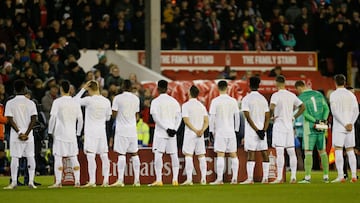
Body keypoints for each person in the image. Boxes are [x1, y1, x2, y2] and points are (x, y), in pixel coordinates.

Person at [74, 80, 112, 187]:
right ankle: (106, 181)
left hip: (91, 132)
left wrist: (82, 89)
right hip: (101, 131)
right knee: (104, 156)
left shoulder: (89, 100)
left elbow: (74, 101)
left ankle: (92, 181)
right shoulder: (106, 101)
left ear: (89, 89)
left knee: (91, 156)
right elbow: (108, 117)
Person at [48, 80, 83, 188]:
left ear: (61, 89)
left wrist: (50, 131)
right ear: (70, 90)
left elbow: (53, 118)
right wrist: (77, 133)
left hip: (60, 134)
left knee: (58, 156)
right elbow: (80, 120)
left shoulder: (57, 102)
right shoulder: (75, 103)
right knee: (73, 157)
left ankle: (58, 182)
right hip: (71, 134)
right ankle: (77, 181)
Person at [270, 76, 304, 184]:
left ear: (276, 83)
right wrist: (294, 116)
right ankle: (293, 177)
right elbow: (302, 106)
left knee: (280, 152)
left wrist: (271, 116)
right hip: (289, 125)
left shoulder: (275, 95)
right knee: (291, 151)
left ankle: (279, 178)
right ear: (284, 83)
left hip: (279, 124)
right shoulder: (291, 95)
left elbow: (271, 107)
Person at [4, 79, 38, 189]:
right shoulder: (31, 103)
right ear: (24, 89)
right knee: (30, 157)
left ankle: (14, 182)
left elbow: (9, 119)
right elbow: (34, 119)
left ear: (14, 89)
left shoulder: (10, 103)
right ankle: (31, 182)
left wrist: (19, 132)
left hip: (15, 134)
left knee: (15, 157)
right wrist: (27, 133)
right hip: (28, 134)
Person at [295, 80, 330, 183]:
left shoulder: (301, 98)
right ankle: (326, 176)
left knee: (308, 152)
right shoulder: (318, 94)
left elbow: (304, 114)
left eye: (297, 90)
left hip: (309, 128)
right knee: (322, 151)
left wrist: (315, 121)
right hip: (321, 127)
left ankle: (307, 177)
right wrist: (322, 121)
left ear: (299, 88)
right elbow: (326, 109)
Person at [149, 80, 181, 186]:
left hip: (161, 133)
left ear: (158, 89)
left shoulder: (155, 101)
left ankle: (159, 180)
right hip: (172, 132)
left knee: (158, 155)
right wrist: (174, 129)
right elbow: (179, 117)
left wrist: (166, 128)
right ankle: (175, 180)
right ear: (167, 89)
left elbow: (155, 118)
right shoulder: (174, 101)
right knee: (174, 155)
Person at [110, 79, 141, 187]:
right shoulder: (136, 99)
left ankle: (120, 180)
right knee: (134, 153)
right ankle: (137, 180)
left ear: (122, 86)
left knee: (121, 154)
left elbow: (113, 114)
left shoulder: (118, 98)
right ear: (131, 87)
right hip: (132, 130)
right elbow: (137, 115)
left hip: (122, 130)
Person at [240, 77, 270, 184]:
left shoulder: (246, 99)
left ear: (249, 85)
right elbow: (268, 116)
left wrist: (257, 130)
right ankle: (265, 178)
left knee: (251, 153)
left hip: (252, 131)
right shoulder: (263, 99)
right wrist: (263, 130)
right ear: (259, 85)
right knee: (264, 152)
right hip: (262, 130)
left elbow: (247, 117)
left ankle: (250, 179)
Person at [209, 80, 240, 185]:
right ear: (227, 88)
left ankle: (219, 179)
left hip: (220, 131)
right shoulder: (233, 101)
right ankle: (235, 178)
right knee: (233, 154)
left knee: (220, 154)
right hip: (231, 131)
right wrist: (236, 130)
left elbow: (212, 117)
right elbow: (237, 117)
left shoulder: (215, 101)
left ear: (218, 88)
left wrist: (211, 131)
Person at [329, 74, 359, 183]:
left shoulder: (334, 95)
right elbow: (356, 111)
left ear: (335, 82)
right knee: (350, 150)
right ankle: (354, 176)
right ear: (345, 82)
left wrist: (344, 123)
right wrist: (351, 123)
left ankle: (341, 176)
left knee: (338, 150)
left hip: (339, 126)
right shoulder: (351, 95)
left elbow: (334, 112)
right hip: (350, 127)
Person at [181, 85, 209, 185]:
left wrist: (195, 130)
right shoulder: (201, 106)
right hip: (200, 134)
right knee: (201, 156)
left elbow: (186, 121)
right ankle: (204, 179)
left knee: (188, 155)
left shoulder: (185, 106)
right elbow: (206, 121)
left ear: (189, 93)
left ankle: (189, 179)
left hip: (190, 134)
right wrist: (201, 130)